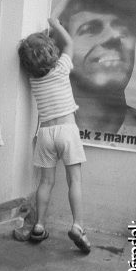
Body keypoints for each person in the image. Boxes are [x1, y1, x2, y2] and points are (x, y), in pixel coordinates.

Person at [17, 18, 90, 253]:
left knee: (45, 182)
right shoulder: (61, 69)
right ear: (51, 52)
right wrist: (56, 25)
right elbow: (69, 43)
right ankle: (78, 226)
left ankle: (39, 225)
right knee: (74, 181)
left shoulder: (34, 80)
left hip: (45, 133)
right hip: (67, 131)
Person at [52, 0, 136, 138]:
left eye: (124, 30)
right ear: (61, 49)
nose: (114, 36)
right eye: (90, 29)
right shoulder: (53, 125)